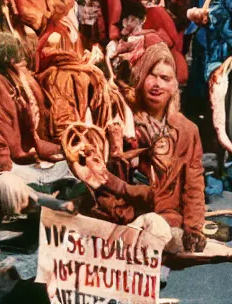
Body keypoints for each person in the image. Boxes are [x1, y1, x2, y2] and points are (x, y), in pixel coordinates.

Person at [82, 44, 210, 256]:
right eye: (152, 75)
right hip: (123, 213)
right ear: (141, 78)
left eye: (165, 78)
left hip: (166, 218)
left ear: (173, 87)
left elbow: (194, 183)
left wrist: (194, 227)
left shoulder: (187, 131)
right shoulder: (120, 119)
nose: (157, 84)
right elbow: (103, 180)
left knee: (163, 232)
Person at [0, 32, 73, 218]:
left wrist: (68, 152)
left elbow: (36, 140)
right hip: (15, 168)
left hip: (35, 165)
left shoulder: (21, 78)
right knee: (8, 186)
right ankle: (49, 205)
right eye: (14, 54)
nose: (20, 59)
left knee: (78, 166)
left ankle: (49, 205)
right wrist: (4, 166)